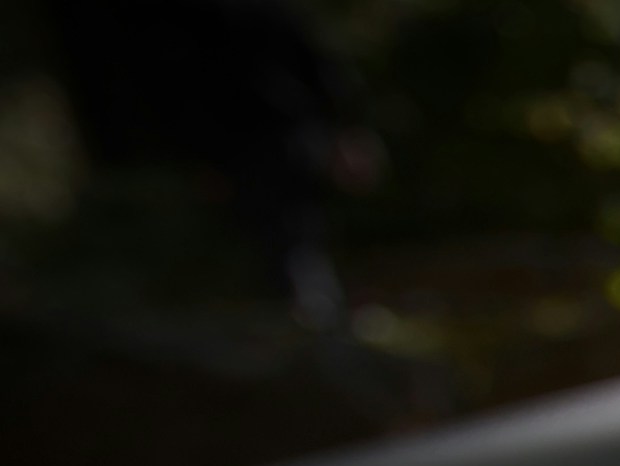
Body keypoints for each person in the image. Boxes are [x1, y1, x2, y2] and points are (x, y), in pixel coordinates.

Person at [50, 0, 379, 327]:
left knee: (294, 235)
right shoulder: (183, 23)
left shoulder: (258, 15)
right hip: (244, 150)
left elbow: (318, 67)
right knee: (274, 238)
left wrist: (343, 131)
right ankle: (299, 316)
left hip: (288, 141)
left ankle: (312, 316)